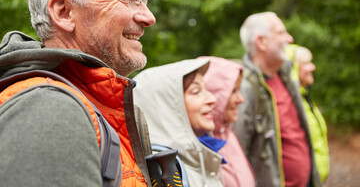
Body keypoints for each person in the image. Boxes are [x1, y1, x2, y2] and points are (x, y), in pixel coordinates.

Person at [0, 0, 156, 186]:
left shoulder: (91, 107)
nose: (148, 17)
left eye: (142, 1)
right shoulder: (48, 109)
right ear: (64, 12)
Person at [233, 12, 322, 187]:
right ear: (261, 42)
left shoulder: (286, 76)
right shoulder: (244, 88)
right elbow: (239, 155)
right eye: (281, 33)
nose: (289, 38)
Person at [133, 58, 225, 187]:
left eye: (206, 89)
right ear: (165, 106)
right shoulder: (160, 169)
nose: (212, 99)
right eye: (196, 92)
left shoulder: (198, 159)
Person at [199, 56, 256, 187]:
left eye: (239, 90)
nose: (241, 99)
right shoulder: (202, 143)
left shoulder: (228, 133)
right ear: (214, 93)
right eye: (233, 91)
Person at [286, 44, 330, 183]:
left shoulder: (305, 98)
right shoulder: (289, 103)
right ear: (292, 69)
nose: (313, 67)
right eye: (306, 63)